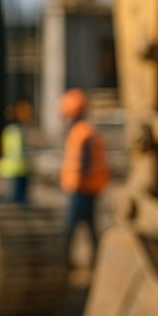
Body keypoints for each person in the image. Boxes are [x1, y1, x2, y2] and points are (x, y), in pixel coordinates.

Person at [58, 88, 109, 268]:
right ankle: (95, 261)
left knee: (70, 227)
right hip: (89, 188)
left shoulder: (82, 133)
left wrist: (77, 184)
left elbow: (84, 164)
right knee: (89, 227)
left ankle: (66, 262)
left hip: (80, 189)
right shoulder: (87, 130)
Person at [0, 100, 32, 203]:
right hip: (18, 167)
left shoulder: (9, 130)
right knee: (18, 198)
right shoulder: (16, 131)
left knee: (16, 196)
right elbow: (20, 150)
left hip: (14, 167)